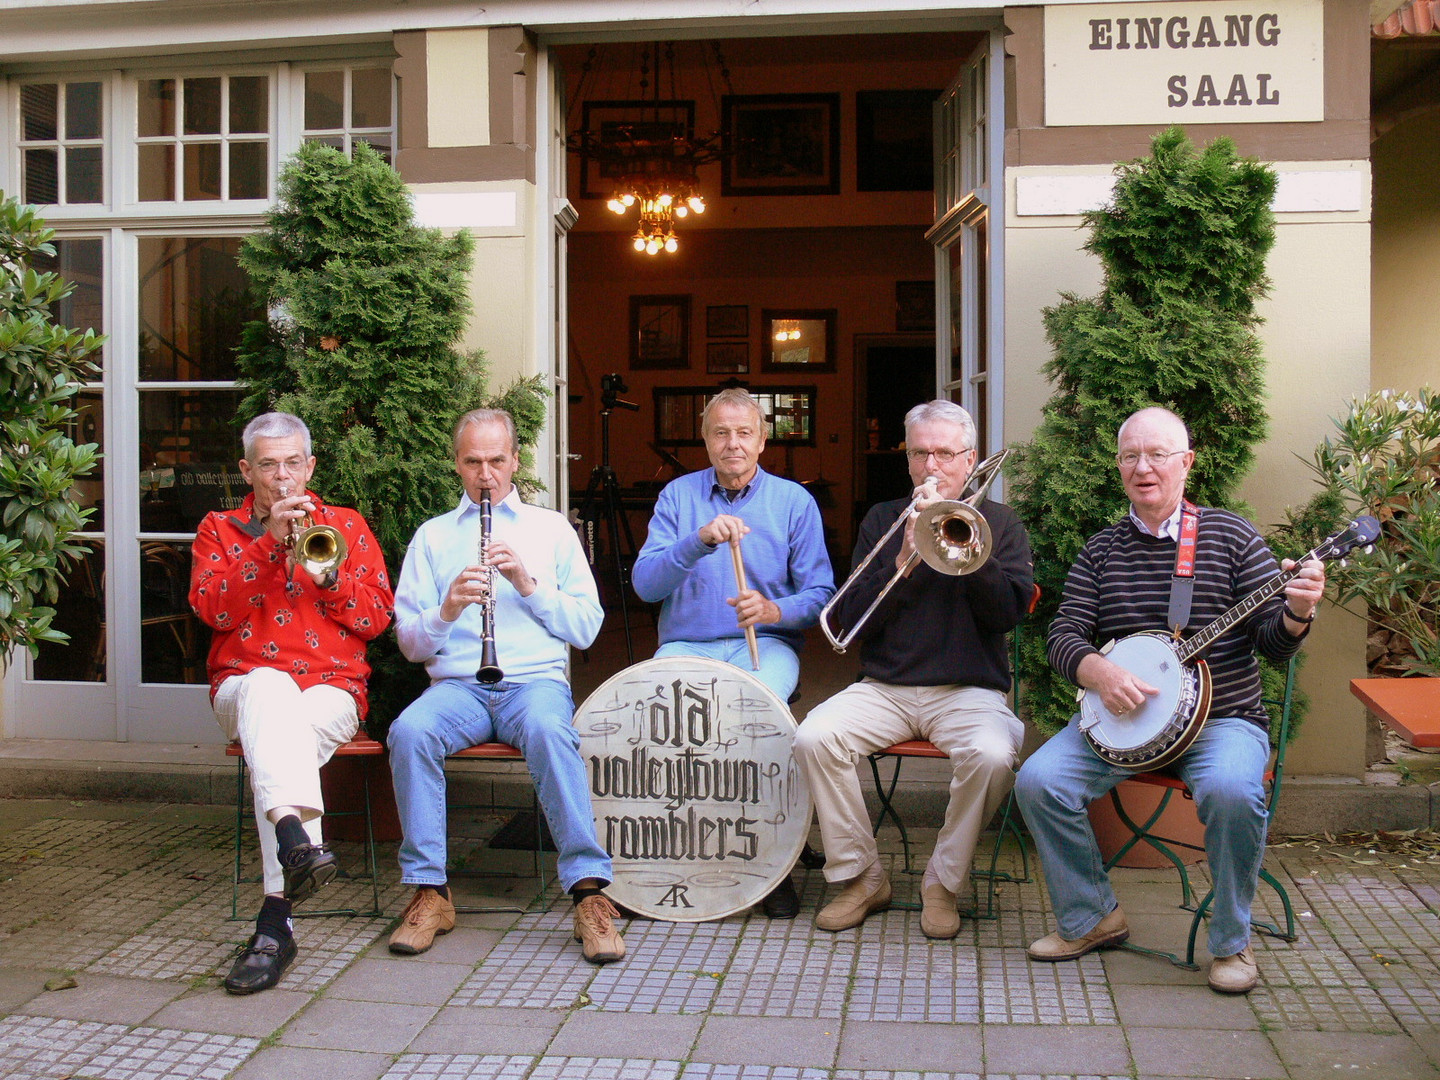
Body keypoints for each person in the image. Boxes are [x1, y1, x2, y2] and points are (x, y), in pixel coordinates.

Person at [1014, 406, 1325, 994]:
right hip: (1123, 725)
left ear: (1186, 463)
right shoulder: (1101, 550)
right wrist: (1098, 672)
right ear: (1119, 467)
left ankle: (1232, 943)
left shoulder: (1230, 537)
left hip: (1223, 720)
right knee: (1038, 780)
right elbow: (1062, 635)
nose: (1143, 467)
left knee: (1234, 790)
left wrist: (1298, 611)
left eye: (1158, 455)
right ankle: (1092, 918)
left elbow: (1271, 646)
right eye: (1131, 456)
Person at [386, 408, 624, 964]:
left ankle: (589, 893)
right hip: (459, 687)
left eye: (497, 460)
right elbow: (412, 645)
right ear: (457, 465)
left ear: (516, 460)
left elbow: (586, 628)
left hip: (534, 682)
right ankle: (430, 892)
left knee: (548, 729)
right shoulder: (433, 537)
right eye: (473, 462)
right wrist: (446, 609)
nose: (486, 474)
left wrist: (526, 583)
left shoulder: (551, 529)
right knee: (410, 730)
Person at [792, 400, 1034, 939]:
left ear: (969, 459)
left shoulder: (999, 523)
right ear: (908, 461)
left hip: (968, 689)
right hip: (886, 687)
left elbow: (1008, 614)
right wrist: (900, 560)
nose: (931, 466)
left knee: (994, 755)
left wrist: (967, 556)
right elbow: (849, 622)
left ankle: (942, 884)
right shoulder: (882, 519)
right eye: (921, 452)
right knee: (814, 737)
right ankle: (861, 877)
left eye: (945, 453)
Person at [190, 411, 394, 995]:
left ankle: (278, 909)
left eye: (292, 464)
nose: (282, 478)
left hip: (331, 691)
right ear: (246, 470)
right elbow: (213, 612)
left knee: (278, 740)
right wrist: (265, 547)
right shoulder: (219, 529)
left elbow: (377, 619)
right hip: (243, 685)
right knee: (268, 687)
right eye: (268, 465)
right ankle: (292, 864)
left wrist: (329, 579)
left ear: (310, 466)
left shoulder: (346, 525)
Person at [633, 387, 835, 919]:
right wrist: (696, 540)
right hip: (685, 643)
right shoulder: (677, 497)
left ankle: (771, 863)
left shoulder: (794, 502)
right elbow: (645, 585)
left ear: (763, 440)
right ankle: (673, 852)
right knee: (659, 721)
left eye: (744, 432)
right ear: (705, 439)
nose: (733, 444)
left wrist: (772, 611)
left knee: (754, 719)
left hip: (763, 645)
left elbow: (821, 596)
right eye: (720, 433)